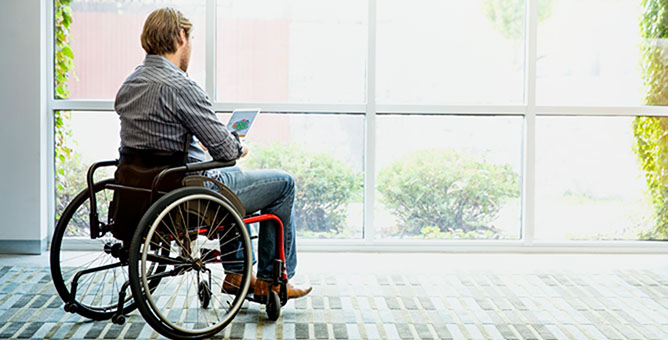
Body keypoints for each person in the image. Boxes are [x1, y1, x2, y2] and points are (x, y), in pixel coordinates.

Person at [114, 7, 311, 301]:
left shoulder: (130, 82)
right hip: (185, 193)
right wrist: (238, 145)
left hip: (140, 190)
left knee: (231, 177)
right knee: (282, 184)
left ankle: (237, 274)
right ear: (181, 37)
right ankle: (271, 279)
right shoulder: (180, 86)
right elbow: (225, 150)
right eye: (190, 38)